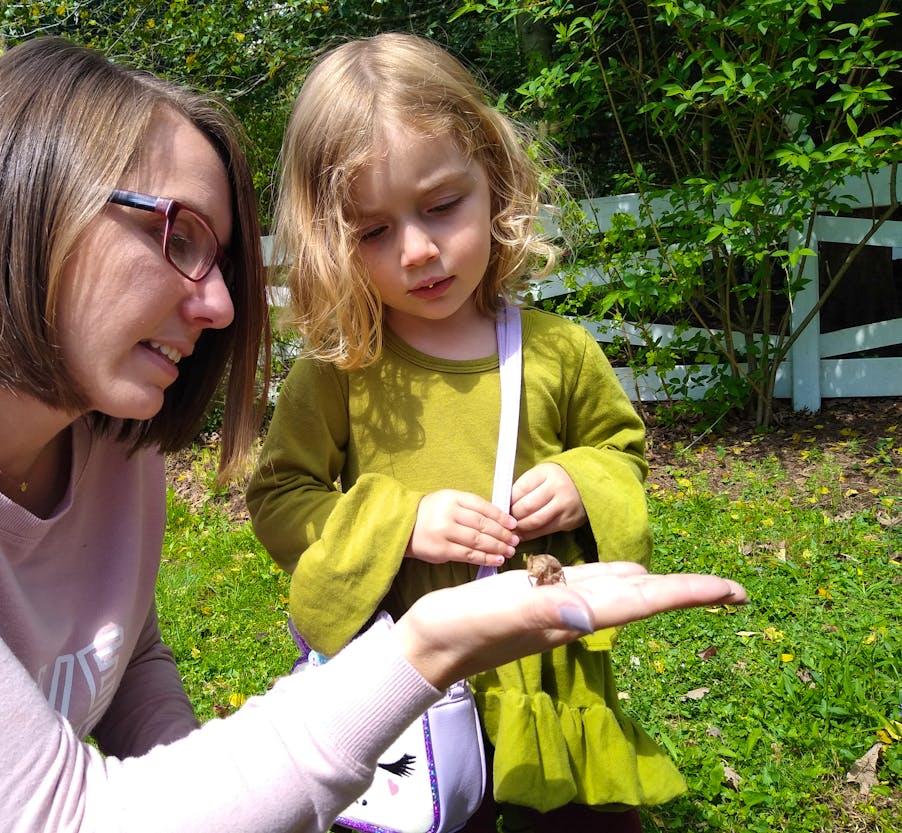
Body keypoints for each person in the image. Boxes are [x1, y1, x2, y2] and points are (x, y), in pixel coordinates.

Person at [0, 36, 748, 833]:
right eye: (177, 235)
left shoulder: (110, 449)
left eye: (222, 257)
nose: (216, 304)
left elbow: (129, 664)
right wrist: (423, 635)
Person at [246, 33, 684, 833]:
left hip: (543, 668)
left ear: (496, 178)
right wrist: (400, 522)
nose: (417, 250)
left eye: (442, 205)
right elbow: (280, 497)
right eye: (371, 231)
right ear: (329, 237)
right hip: (409, 679)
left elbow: (623, 453)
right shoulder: (342, 369)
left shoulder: (558, 349)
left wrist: (583, 481)